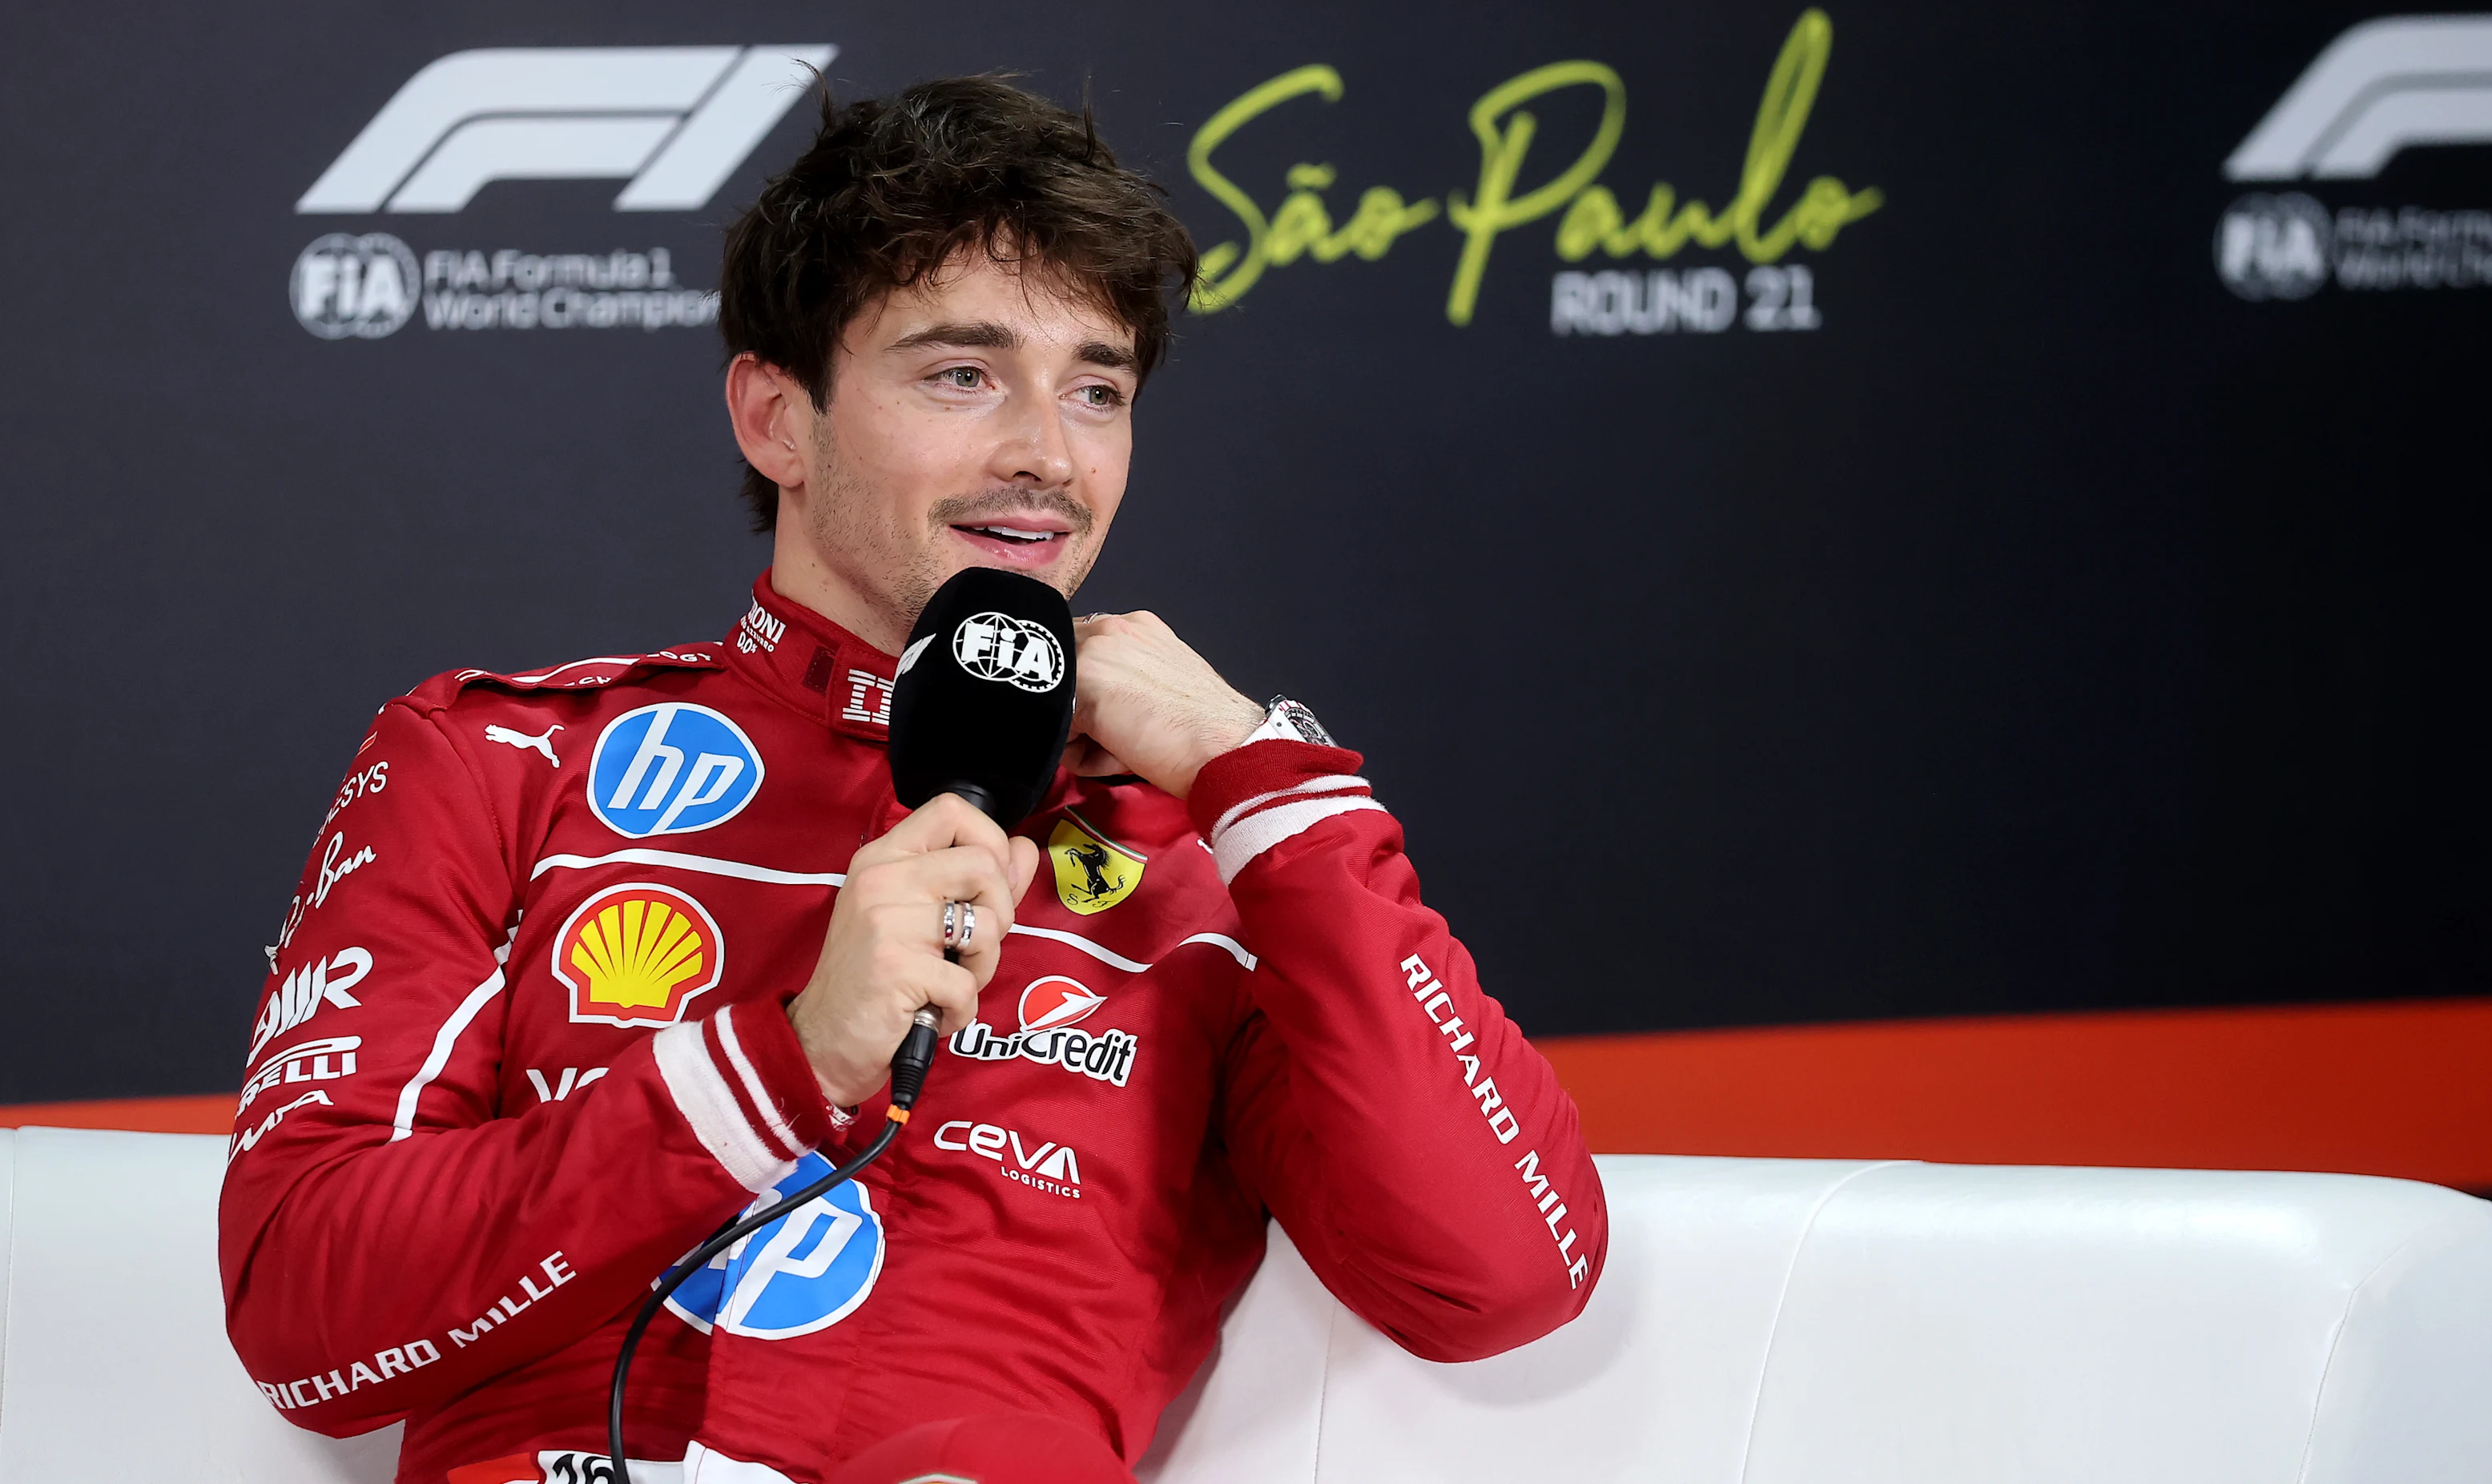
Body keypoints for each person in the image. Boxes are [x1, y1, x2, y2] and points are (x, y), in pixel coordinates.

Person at [220, 77, 1607, 1484]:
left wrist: (1270, 784)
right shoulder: (500, 761)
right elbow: (304, 1329)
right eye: (962, 373)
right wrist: (788, 1062)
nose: (1046, 455)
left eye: (1097, 390)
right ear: (777, 418)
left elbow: (1501, 1277)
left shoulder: (1210, 866)